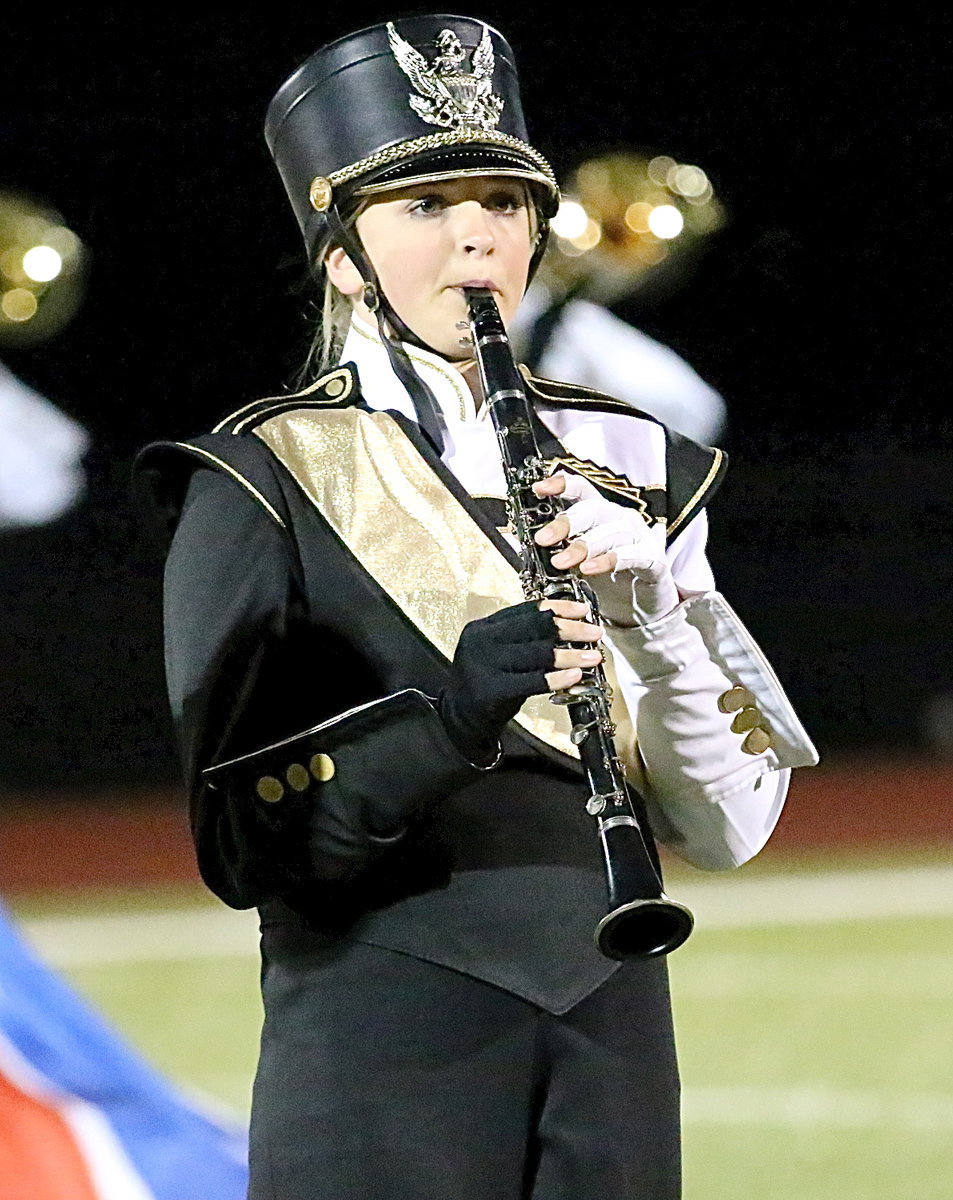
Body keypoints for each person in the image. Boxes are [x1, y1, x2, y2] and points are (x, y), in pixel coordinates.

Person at [136, 16, 817, 1200]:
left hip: (610, 1019)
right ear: (341, 252)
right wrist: (451, 715)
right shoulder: (263, 478)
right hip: (379, 1032)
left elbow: (728, 831)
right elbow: (240, 842)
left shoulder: (631, 460)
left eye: (502, 202)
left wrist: (650, 615)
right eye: (422, 206)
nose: (473, 236)